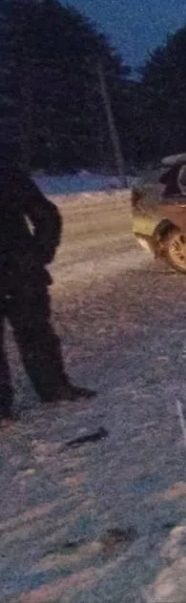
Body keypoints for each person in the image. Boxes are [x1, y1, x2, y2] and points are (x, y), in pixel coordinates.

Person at [0, 160, 95, 425]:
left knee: (37, 333)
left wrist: (38, 254)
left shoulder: (7, 175)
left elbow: (47, 216)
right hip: (22, 271)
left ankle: (53, 387)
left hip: (20, 273)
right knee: (36, 333)